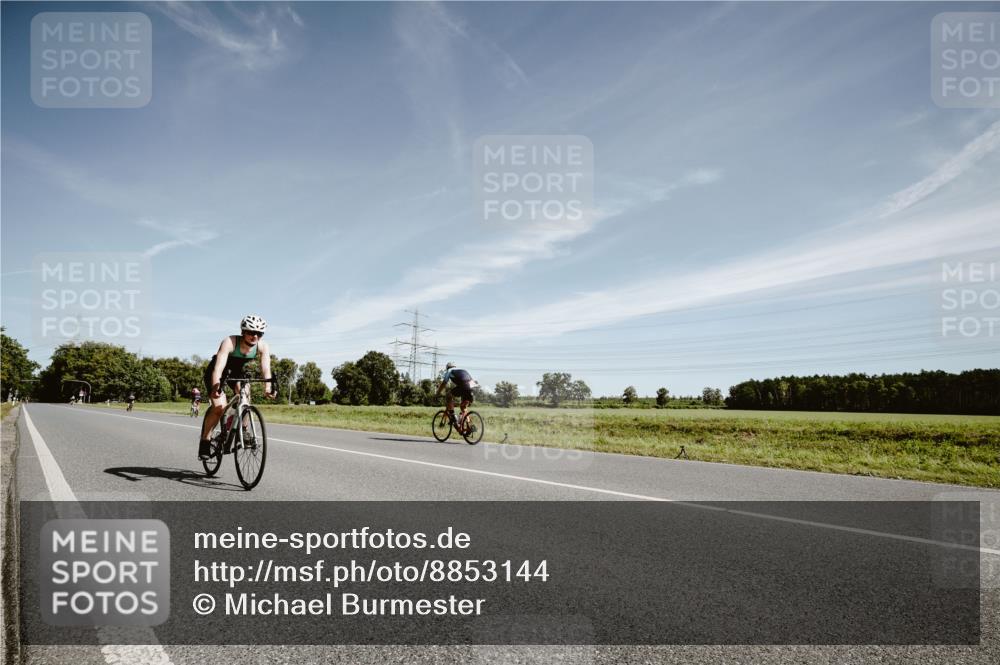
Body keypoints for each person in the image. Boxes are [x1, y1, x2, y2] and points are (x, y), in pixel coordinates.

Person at [198, 315, 275, 460]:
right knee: (219, 407)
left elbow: (266, 368)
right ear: (243, 331)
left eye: (259, 333)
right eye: (251, 332)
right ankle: (205, 441)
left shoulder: (263, 346)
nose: (255, 336)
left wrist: (268, 387)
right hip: (218, 371)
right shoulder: (230, 342)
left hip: (237, 373)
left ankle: (243, 430)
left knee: (245, 396)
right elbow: (219, 367)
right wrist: (216, 387)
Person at [436, 362, 478, 432]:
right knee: (463, 407)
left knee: (449, 395)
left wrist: (438, 393)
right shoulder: (462, 370)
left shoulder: (449, 371)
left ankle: (453, 416)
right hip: (472, 387)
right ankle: (469, 426)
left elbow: (444, 383)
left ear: (447, 368)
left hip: (464, 386)